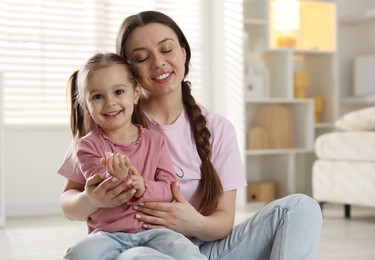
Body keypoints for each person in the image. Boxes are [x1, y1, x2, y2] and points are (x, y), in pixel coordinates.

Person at [58, 10, 323, 260]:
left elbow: (223, 221)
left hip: (201, 250)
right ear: (128, 73)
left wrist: (191, 222)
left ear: (184, 52)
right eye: (141, 58)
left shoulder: (217, 128)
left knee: (301, 208)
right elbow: (69, 202)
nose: (158, 62)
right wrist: (90, 199)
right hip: (137, 249)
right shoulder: (109, 124)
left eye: (166, 49)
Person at [61, 52, 206, 260]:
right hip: (107, 234)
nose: (110, 102)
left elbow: (168, 188)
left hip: (155, 231)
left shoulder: (156, 141)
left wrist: (143, 186)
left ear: (135, 94)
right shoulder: (87, 145)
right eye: (98, 96)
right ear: (85, 103)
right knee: (79, 254)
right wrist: (118, 178)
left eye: (119, 92)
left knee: (185, 250)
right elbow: (100, 184)